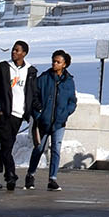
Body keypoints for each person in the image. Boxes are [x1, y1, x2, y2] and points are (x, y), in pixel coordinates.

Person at [0, 40, 38, 191]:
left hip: (19, 115)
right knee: (6, 146)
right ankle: (11, 175)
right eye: (13, 50)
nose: (14, 52)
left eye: (17, 50)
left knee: (6, 147)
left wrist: (32, 110)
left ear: (24, 53)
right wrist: (0, 109)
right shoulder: (3, 67)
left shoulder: (30, 71)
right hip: (5, 113)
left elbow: (32, 93)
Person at [25, 49, 78, 192]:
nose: (55, 63)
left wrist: (66, 113)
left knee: (56, 149)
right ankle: (30, 174)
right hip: (43, 121)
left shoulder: (69, 81)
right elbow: (34, 97)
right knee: (39, 148)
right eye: (53, 61)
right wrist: (38, 114)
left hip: (59, 122)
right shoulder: (44, 78)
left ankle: (52, 179)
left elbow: (72, 101)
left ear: (65, 64)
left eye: (58, 62)